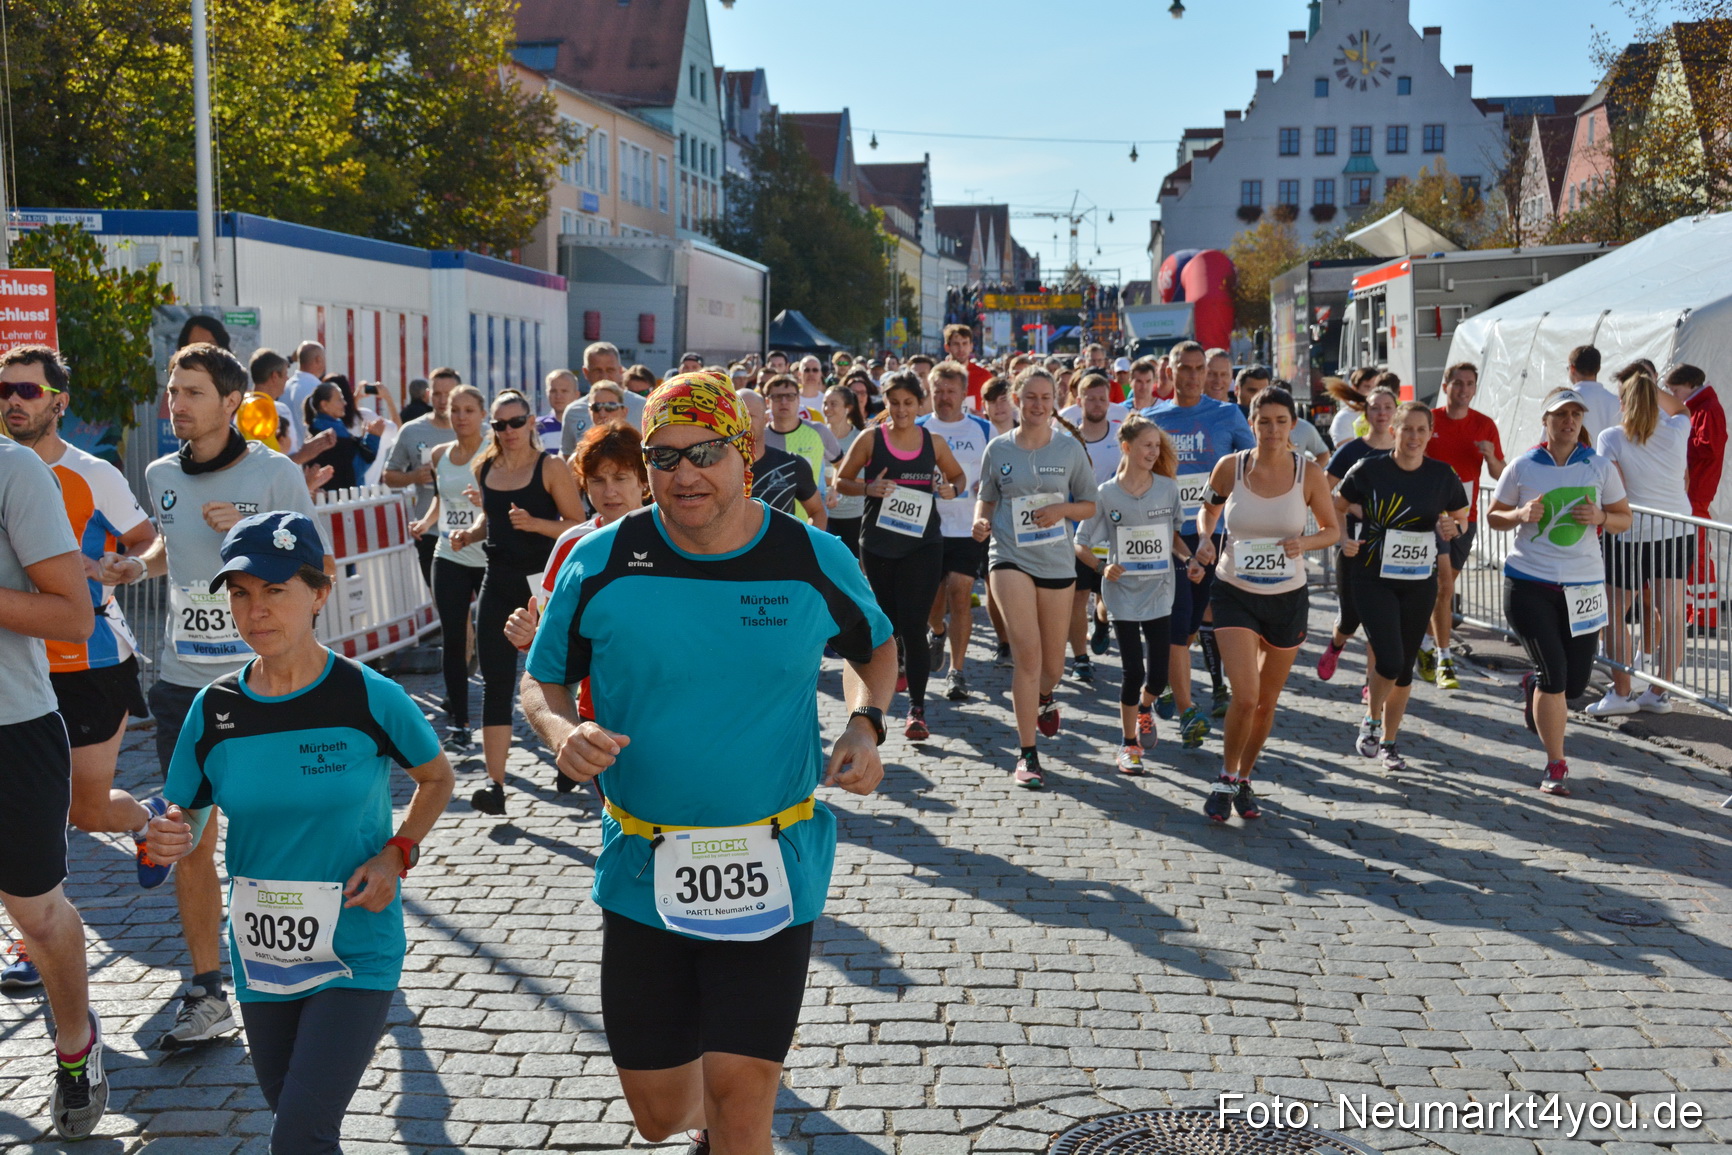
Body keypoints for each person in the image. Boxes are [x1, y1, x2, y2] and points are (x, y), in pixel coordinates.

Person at [519, 371, 894, 1155]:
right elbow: (540, 677)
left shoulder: (808, 554)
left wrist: (864, 720)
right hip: (642, 861)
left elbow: (876, 646)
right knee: (661, 1112)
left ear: (746, 452)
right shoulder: (603, 558)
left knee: (741, 1092)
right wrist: (561, 731)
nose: (684, 473)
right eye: (665, 457)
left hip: (772, 857)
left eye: (706, 452)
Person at [144, 510, 453, 1154]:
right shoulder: (216, 710)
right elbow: (184, 818)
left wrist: (397, 854)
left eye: (275, 590)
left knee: (297, 1137)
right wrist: (166, 838)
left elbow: (437, 778)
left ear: (319, 592)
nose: (255, 611)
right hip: (262, 957)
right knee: (302, 1126)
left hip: (355, 949)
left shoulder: (367, 695)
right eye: (240, 593)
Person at [125, 342, 329, 1050]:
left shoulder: (272, 472)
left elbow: (316, 562)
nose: (175, 404)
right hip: (186, 684)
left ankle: (306, 964)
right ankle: (208, 988)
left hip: (266, 682)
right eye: (172, 390)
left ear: (230, 401)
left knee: (279, 830)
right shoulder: (159, 473)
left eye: (191, 392)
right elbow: (169, 545)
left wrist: (248, 534)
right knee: (191, 837)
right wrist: (134, 563)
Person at [1, 347, 162, 886]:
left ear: (59, 401)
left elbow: (147, 540)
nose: (14, 402)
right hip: (18, 667)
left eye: (29, 391)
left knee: (83, 811)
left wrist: (128, 565)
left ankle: (147, 819)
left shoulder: (93, 473)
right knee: (31, 811)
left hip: (89, 660)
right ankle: (30, 933)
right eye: (5, 391)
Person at [0, 409, 105, 1138]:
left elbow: (75, 617)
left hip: (12, 727)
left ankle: (76, 1046)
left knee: (35, 913)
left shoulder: (14, 470)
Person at [1193, 387, 1339, 821]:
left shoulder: (1308, 474)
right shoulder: (1230, 467)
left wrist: (1304, 542)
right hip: (1235, 591)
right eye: (1264, 421)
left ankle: (1244, 778)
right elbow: (1208, 509)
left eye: (1280, 421)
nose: (1272, 429)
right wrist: (1205, 537)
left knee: (1265, 703)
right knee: (1245, 694)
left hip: (1286, 598)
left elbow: (1332, 530)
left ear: (1293, 425)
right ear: (1251, 424)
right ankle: (1224, 776)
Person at [1487, 387, 1632, 795]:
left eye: (1575, 414)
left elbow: (1625, 519)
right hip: (1529, 583)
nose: (1569, 421)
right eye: (1560, 414)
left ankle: (1535, 687)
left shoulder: (1599, 466)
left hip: (1583, 587)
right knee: (1554, 676)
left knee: (1573, 684)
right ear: (1545, 420)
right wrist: (1519, 513)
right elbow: (1494, 516)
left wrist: (1602, 515)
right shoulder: (1522, 465)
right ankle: (1556, 764)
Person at [449, 390, 586, 815]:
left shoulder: (551, 466)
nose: (507, 431)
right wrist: (469, 535)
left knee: (555, 674)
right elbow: (490, 516)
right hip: (497, 582)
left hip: (542, 586)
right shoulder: (485, 465)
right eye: (499, 424)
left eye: (515, 422)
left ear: (531, 422)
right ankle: (496, 786)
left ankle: (570, 755)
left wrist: (534, 523)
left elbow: (578, 525)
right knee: (495, 682)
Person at [504, 422, 649, 794]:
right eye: (598, 480)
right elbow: (550, 640)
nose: (610, 491)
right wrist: (527, 639)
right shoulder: (573, 544)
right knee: (621, 822)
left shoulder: (680, 536)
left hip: (669, 710)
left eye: (621, 477)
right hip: (599, 716)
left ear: (644, 482)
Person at [973, 367, 1099, 789]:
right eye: (1030, 397)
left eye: (1046, 397)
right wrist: (980, 522)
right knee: (1027, 656)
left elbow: (1089, 504)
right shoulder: (998, 448)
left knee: (1053, 666)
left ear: (1055, 399)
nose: (1038, 405)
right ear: (1016, 398)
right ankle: (1027, 754)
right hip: (1008, 557)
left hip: (1057, 563)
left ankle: (1045, 696)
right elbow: (986, 498)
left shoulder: (1069, 448)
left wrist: (1061, 510)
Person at [1335, 402, 1470, 772]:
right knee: (1390, 660)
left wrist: (1452, 528)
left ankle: (1390, 745)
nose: (1413, 437)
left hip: (1418, 581)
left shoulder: (1442, 475)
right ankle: (1372, 720)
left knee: (1405, 670)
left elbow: (1461, 516)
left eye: (1421, 430)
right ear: (1393, 430)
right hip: (1372, 576)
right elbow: (1337, 502)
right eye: (1406, 429)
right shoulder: (1369, 469)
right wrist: (1343, 537)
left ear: (1430, 434)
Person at [837, 372, 965, 740]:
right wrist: (869, 487)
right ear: (886, 403)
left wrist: (949, 488)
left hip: (923, 544)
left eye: (909, 403)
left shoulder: (933, 442)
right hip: (878, 544)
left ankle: (917, 710)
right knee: (886, 627)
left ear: (919, 404)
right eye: (894, 402)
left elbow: (958, 479)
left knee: (913, 625)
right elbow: (840, 481)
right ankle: (873, 705)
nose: (902, 410)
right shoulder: (870, 439)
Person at [1146, 340, 1256, 744]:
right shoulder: (1152, 418)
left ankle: (1171, 681)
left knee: (1196, 622)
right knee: (1178, 622)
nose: (1192, 377)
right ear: (1169, 370)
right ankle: (1189, 711)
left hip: (1218, 536)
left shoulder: (1227, 414)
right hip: (1170, 535)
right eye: (1184, 368)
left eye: (1199, 369)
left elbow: (1253, 465)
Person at [1075, 417, 1187, 775]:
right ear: (1127, 448)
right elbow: (1081, 544)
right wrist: (1101, 567)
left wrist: (1190, 559)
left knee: (1156, 677)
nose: (1154, 452)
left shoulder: (1168, 489)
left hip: (1159, 590)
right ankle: (1127, 743)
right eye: (1147, 446)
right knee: (1132, 670)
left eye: (1157, 445)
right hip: (1122, 592)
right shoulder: (1106, 494)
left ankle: (1144, 709)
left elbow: (1172, 537)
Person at [1587, 369, 1693, 716]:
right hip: (1677, 529)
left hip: (1629, 533)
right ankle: (1660, 691)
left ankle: (1621, 693)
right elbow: (1681, 409)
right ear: (1655, 401)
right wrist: (1651, 387)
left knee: (1615, 613)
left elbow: (1613, 490)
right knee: (1673, 613)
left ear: (1623, 403)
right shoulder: (1677, 430)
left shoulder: (1611, 437)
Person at [409, 384, 489, 753]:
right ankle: (460, 722)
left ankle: (498, 712)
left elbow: (501, 503)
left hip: (489, 556)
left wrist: (477, 521)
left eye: (468, 410)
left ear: (482, 414)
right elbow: (442, 501)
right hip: (450, 554)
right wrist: (426, 524)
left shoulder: (495, 452)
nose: (460, 417)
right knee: (453, 638)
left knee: (491, 642)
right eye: (455, 410)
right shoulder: (440, 453)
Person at [1419, 362, 1505, 690]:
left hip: (1463, 519)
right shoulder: (1430, 421)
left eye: (1469, 384)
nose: (1463, 389)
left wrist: (1492, 456)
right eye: (1457, 383)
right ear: (1446, 386)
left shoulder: (1484, 425)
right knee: (1437, 586)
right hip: (1427, 516)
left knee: (1443, 586)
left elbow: (1500, 473)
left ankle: (1429, 647)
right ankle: (1439, 654)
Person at [919, 362, 996, 700]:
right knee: (934, 603)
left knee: (961, 593)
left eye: (951, 392)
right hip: (926, 528)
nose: (945, 398)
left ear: (964, 394)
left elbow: (996, 475)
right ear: (930, 393)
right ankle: (937, 631)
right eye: (939, 391)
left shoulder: (982, 428)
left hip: (967, 527)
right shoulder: (919, 428)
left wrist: (985, 486)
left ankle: (957, 671)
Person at [1316, 386, 1398, 686]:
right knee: (1351, 617)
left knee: (1381, 620)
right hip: (1353, 543)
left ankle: (1370, 682)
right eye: (1375, 407)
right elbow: (1322, 488)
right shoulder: (1351, 450)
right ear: (1366, 413)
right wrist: (1346, 515)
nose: (1382, 413)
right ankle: (1336, 645)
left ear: (1395, 411)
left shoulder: (1404, 449)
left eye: (1388, 407)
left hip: (1391, 546)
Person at [381, 367, 460, 586]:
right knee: (446, 605)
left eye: (449, 394)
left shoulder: (477, 430)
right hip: (430, 531)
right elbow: (389, 475)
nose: (443, 400)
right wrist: (414, 476)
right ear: (428, 395)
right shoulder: (412, 430)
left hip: (472, 530)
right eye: (437, 394)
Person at [1068, 374, 1124, 681]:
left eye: (1102, 398)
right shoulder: (1067, 440)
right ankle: (1080, 658)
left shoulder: (1120, 438)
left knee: (1107, 593)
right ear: (1079, 402)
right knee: (1077, 595)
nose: (1097, 404)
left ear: (1110, 402)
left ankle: (1101, 621)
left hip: (1114, 529)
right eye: (1090, 398)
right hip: (1077, 531)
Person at [1665, 364, 1725, 632]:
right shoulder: (1702, 407)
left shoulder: (1707, 408)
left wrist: (1679, 442)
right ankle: (1695, 613)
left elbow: (1708, 447)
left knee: (1697, 555)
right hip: (1692, 493)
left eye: (1676, 390)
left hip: (1695, 493)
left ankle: (1705, 618)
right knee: (1690, 556)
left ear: (1689, 386)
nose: (1674, 396)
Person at [737, 390, 827, 525]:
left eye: (749, 416)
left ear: (766, 419)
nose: (742, 424)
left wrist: (807, 545)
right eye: (736, 417)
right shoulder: (715, 467)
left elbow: (817, 511)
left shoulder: (791, 464)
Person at [763, 374, 842, 521]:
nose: (784, 402)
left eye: (790, 396)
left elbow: (840, 463)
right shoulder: (760, 437)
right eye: (777, 397)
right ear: (768, 402)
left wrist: (834, 489)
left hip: (811, 521)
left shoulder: (819, 431)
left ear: (799, 400)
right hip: (770, 523)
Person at [303, 377, 384, 492]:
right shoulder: (332, 435)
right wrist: (373, 437)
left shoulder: (316, 428)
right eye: (339, 400)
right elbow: (354, 469)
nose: (344, 403)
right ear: (324, 405)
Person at [561, 342, 643, 455]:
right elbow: (567, 455)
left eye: (610, 370)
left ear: (620, 371)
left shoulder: (643, 407)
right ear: (586, 372)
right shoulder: (573, 411)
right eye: (597, 370)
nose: (604, 376)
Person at [821, 384, 867, 556]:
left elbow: (864, 479)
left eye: (833, 404)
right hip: (822, 514)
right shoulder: (816, 434)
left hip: (853, 515)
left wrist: (832, 480)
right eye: (825, 403)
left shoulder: (860, 438)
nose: (827, 408)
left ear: (848, 408)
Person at [1566, 345, 1623, 445]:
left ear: (1572, 368)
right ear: (1599, 368)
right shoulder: (1617, 402)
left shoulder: (1565, 401)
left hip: (1576, 459)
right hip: (1609, 460)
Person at [284, 341, 326, 448]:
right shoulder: (318, 389)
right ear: (318, 360)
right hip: (309, 457)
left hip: (286, 455)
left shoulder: (285, 386)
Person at [1325, 368, 1378, 447]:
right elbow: (1347, 452)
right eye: (1367, 386)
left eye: (1376, 387)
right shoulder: (1344, 417)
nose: (1372, 391)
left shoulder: (1385, 414)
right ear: (1354, 388)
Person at [538, 369, 583, 453]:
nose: (558, 396)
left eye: (564, 391)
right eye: (553, 391)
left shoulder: (586, 425)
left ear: (576, 395)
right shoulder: (536, 427)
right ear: (547, 393)